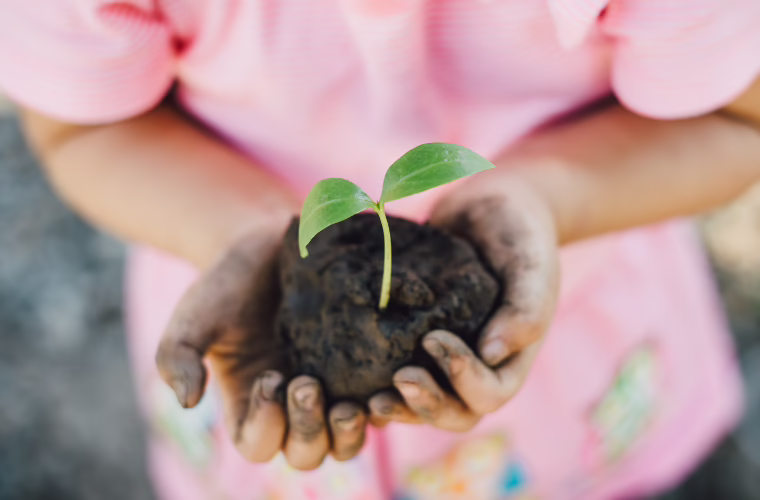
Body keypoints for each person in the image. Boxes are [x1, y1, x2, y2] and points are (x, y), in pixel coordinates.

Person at [2, 1, 760, 498]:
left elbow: (738, 118)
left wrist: (547, 198)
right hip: (248, 312)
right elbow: (82, 125)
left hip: (583, 355)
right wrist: (234, 230)